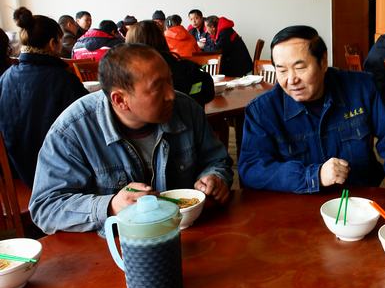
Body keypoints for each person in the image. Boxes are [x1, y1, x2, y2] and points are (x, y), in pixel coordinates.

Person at [29, 43, 233, 234]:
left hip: (189, 234)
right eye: (157, 87)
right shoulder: (73, 130)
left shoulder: (187, 109)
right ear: (120, 100)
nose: (171, 95)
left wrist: (215, 177)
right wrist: (110, 206)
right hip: (116, 245)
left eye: (169, 81)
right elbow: (45, 207)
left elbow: (217, 160)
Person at [238, 25, 385, 193]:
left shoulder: (361, 88)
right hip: (297, 206)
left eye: (300, 67)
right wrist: (313, 176)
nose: (291, 80)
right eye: (282, 70)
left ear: (323, 61)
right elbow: (252, 169)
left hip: (358, 202)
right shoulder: (263, 111)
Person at [0, 7, 88, 188]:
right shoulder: (63, 79)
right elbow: (88, 122)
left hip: (15, 175)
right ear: (52, 43)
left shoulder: (6, 77)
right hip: (55, 174)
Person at [126, 20, 214, 106]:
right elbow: (208, 91)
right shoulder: (185, 68)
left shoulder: (128, 77)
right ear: (162, 39)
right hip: (189, 113)